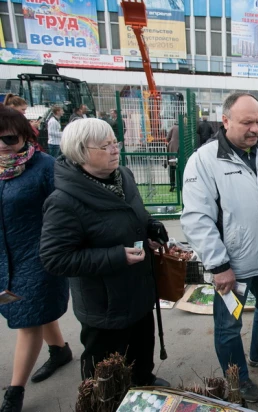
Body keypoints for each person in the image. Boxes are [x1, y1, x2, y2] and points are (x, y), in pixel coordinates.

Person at [39, 119, 170, 389]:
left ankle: (143, 381)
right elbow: (55, 258)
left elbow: (137, 214)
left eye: (115, 142)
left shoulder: (123, 175)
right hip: (105, 306)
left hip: (140, 290)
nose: (114, 149)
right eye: (105, 145)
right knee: (104, 373)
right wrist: (115, 256)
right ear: (80, 151)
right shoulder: (64, 202)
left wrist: (151, 227)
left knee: (142, 348)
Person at [181, 92, 258, 404]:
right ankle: (238, 378)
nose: (255, 128)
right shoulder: (204, 161)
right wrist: (218, 266)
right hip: (234, 267)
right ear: (226, 121)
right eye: (247, 122)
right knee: (230, 327)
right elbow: (196, 219)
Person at [0, 107, 71, 412]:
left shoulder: (45, 167)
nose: (2, 144)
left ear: (26, 136)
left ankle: (14, 393)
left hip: (40, 256)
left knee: (28, 321)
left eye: (9, 137)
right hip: (5, 257)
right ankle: (59, 350)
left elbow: (64, 211)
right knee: (37, 312)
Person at [166, 122, 179, 192]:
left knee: (172, 169)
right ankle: (180, 185)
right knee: (180, 169)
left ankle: (172, 185)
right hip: (180, 150)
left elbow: (167, 138)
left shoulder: (173, 127)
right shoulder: (184, 128)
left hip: (172, 149)